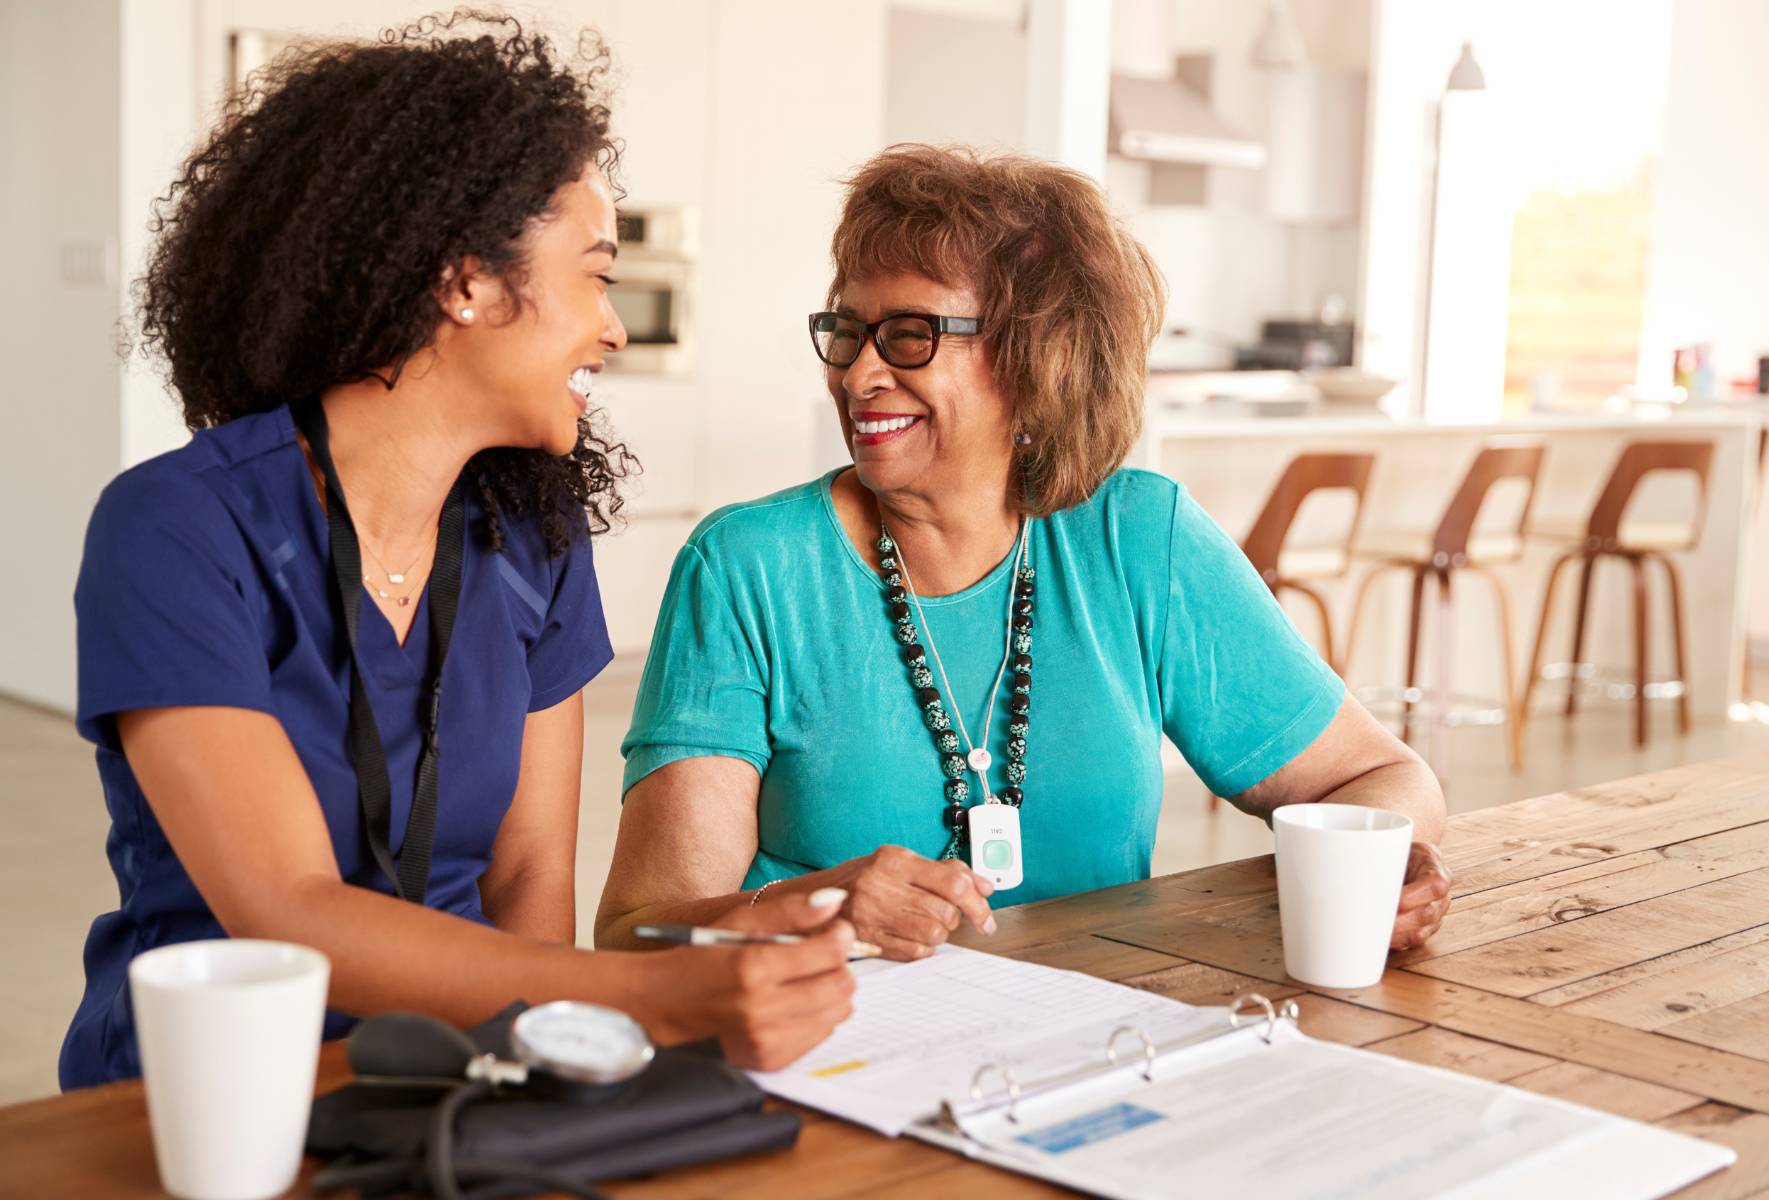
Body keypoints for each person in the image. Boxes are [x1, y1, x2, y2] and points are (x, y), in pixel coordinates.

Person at [61, 12, 850, 1090]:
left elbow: (529, 877)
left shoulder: (534, 534)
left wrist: (551, 1075)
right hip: (206, 1094)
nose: (613, 327)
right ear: (466, 282)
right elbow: (286, 908)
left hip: (461, 1080)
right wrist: (655, 1000)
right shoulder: (174, 529)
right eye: (595, 274)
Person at [597, 145, 1452, 961]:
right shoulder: (748, 569)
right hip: (835, 1048)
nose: (858, 376)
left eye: (908, 336)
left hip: (1102, 1044)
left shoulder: (1138, 540)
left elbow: (1382, 777)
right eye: (848, 332)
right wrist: (810, 909)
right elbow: (641, 929)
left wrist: (1380, 869)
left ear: (1036, 357)